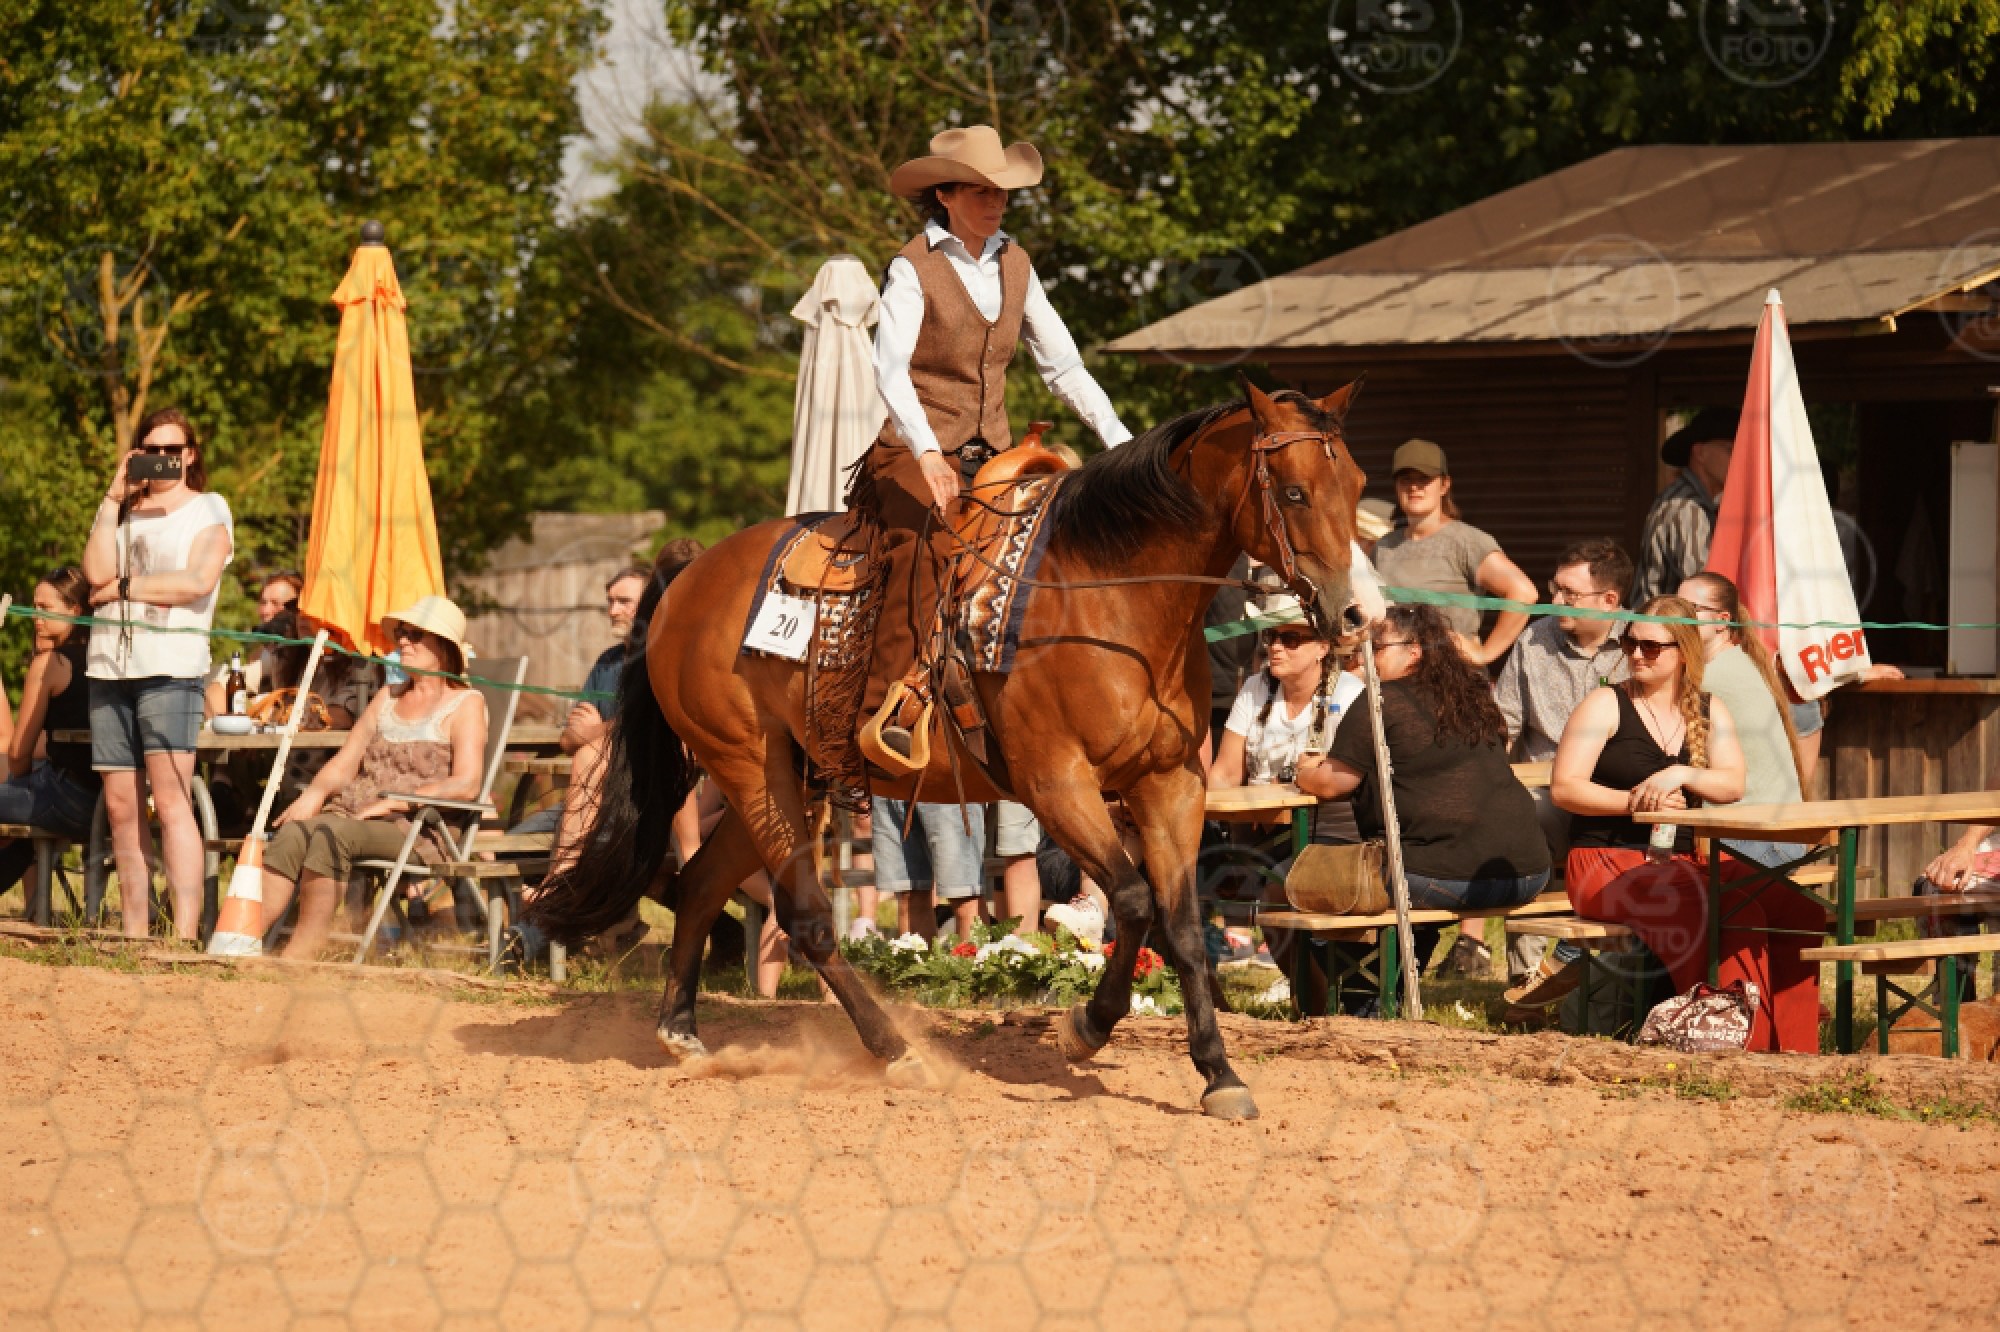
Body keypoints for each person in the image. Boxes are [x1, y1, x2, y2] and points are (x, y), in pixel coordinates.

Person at [856, 124, 1131, 760]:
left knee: (1064, 537)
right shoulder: (912, 268)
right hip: (912, 450)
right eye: (981, 190)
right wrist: (928, 452)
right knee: (927, 546)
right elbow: (889, 371)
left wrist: (1118, 440)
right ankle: (887, 710)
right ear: (945, 195)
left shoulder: (1017, 263)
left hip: (995, 456)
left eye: (1001, 191)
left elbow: (1063, 367)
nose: (996, 201)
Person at [1551, 596, 1823, 1053]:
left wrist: (1682, 774)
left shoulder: (1708, 708)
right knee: (1721, 905)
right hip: (1605, 861)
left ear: (1684, 653)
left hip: (1678, 861)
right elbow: (1564, 788)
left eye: (1651, 647)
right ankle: (1736, 1043)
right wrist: (1636, 802)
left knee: (1795, 907)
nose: (1637, 654)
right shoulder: (1605, 703)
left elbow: (1732, 784)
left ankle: (1795, 1049)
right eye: (1630, 643)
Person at [1302, 605, 1552, 979]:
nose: (1365, 657)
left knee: (1306, 880)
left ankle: (1357, 997)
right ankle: (1391, 984)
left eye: (1377, 647)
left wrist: (1303, 771)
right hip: (1528, 873)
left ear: (1414, 651)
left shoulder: (1381, 700)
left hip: (1449, 879)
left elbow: (1330, 784)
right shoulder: (1473, 696)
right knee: (1400, 877)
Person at [257, 597, 487, 959]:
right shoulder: (387, 697)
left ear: (444, 646)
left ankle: (301, 953)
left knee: (331, 835)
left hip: (419, 827)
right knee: (293, 832)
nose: (403, 641)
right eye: (402, 633)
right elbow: (346, 762)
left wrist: (398, 802)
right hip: (357, 814)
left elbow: (467, 784)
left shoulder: (466, 703)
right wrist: (314, 794)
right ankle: (242, 941)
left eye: (415, 635)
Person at [82, 407, 234, 940]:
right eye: (153, 449)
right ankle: (135, 934)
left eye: (174, 449)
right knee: (122, 806)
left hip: (170, 668)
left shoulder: (209, 506)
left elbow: (196, 581)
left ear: (190, 454)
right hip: (108, 667)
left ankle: (185, 936)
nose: (164, 458)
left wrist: (123, 589)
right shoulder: (124, 510)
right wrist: (112, 497)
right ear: (137, 453)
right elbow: (94, 573)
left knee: (171, 801)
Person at [1371, 439, 1537, 666]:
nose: (1414, 487)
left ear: (1444, 485)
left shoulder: (1466, 542)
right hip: (1394, 678)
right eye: (1405, 479)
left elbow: (1523, 593)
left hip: (1451, 678)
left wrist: (1485, 654)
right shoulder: (1383, 547)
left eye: (1424, 479)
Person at [0, 567, 101, 896]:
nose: (35, 616)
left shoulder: (50, 664)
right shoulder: (109, 659)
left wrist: (18, 786)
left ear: (74, 610)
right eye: (34, 607)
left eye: (45, 608)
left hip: (65, 798)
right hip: (113, 803)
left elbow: (18, 754)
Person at [1630, 408, 1735, 605]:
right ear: (1700, 453)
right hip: (1663, 623)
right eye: (1730, 450)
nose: (1738, 459)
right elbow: (1707, 588)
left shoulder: (1700, 502)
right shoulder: (1687, 507)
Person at [202, 570, 303, 718]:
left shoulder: (311, 650)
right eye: (263, 602)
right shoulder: (266, 653)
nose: (266, 610)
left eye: (275, 603)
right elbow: (217, 690)